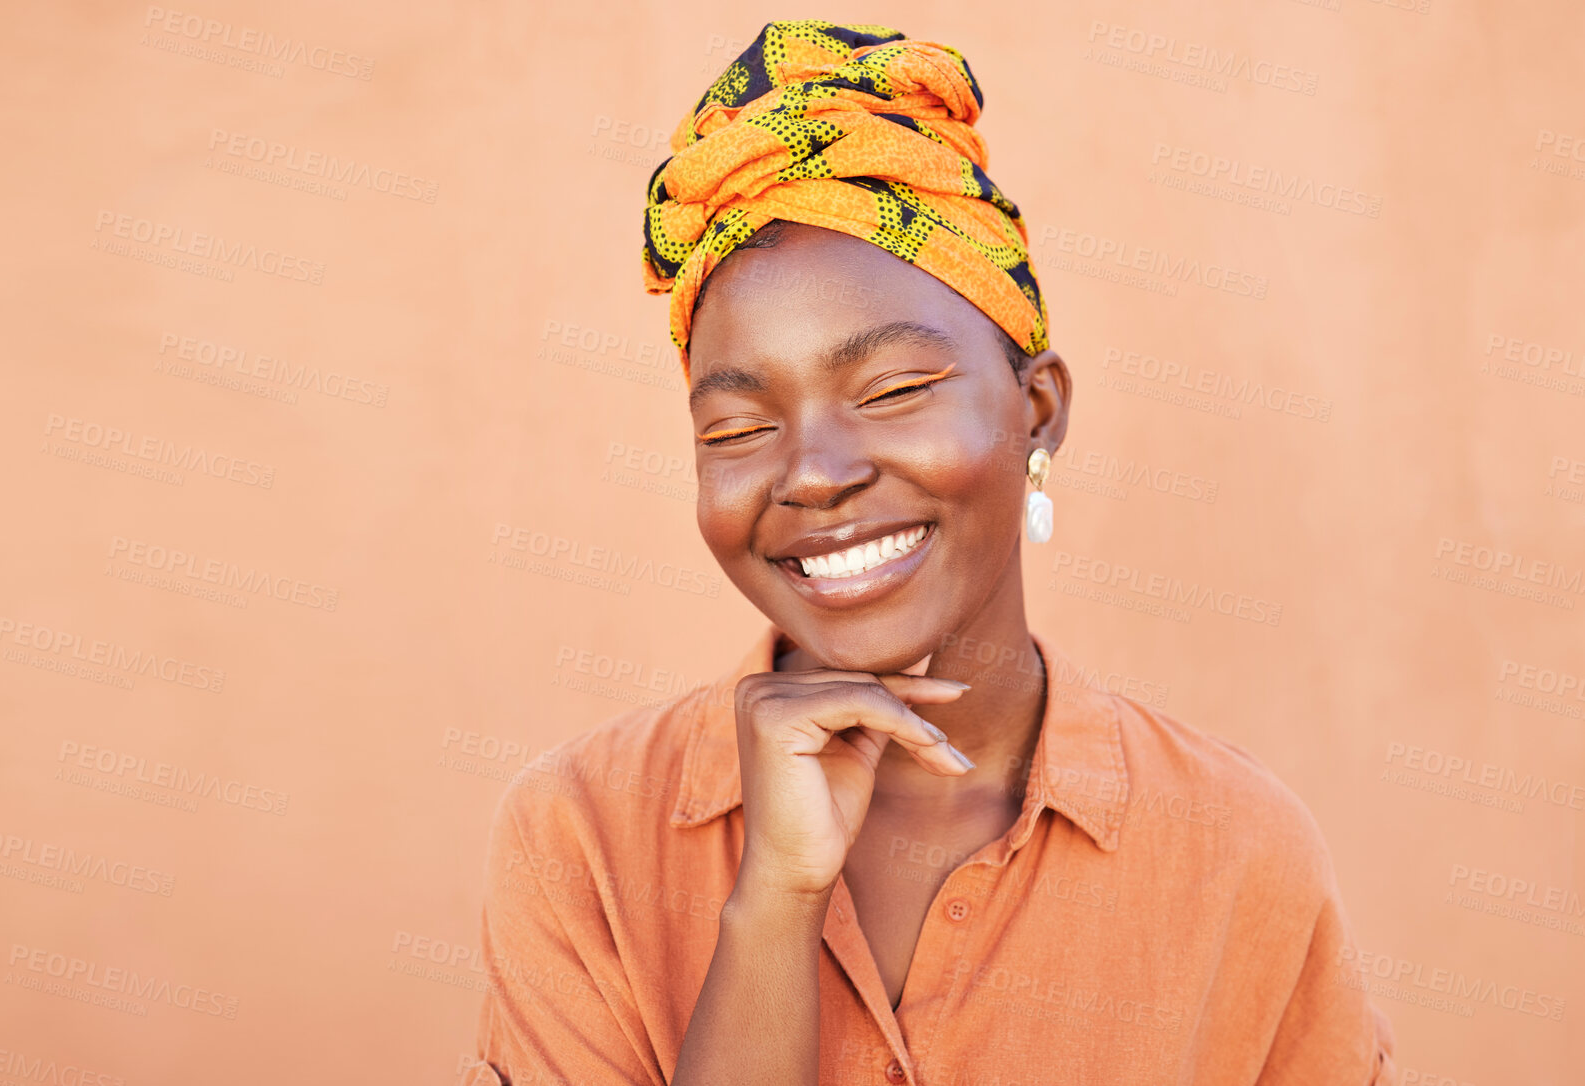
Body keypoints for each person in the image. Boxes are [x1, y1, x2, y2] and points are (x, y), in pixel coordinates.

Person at [464, 21, 1395, 1085]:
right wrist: (774, 902)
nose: (812, 473)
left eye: (896, 391)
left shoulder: (1237, 854)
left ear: (1038, 412)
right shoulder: (582, 835)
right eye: (735, 428)